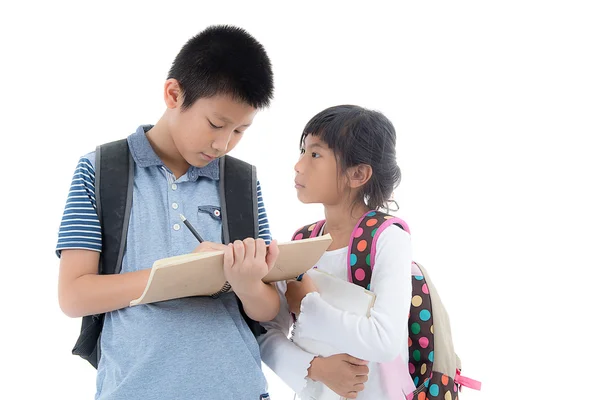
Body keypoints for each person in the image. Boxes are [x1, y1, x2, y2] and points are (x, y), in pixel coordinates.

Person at [56, 25, 280, 400]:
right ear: (173, 93)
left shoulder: (242, 183)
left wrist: (245, 282)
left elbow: (269, 307)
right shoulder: (98, 171)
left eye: (240, 130)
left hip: (238, 389)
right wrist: (180, 274)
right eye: (216, 124)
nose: (223, 144)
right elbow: (74, 295)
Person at [259, 105, 412, 399]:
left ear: (358, 174)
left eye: (315, 155)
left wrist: (306, 304)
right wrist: (315, 368)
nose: (299, 165)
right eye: (302, 151)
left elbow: (385, 341)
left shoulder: (388, 239)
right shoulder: (302, 241)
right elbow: (266, 333)